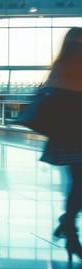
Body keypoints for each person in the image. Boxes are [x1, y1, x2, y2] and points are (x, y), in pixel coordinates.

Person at [41, 27, 82, 256]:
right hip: (71, 135)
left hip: (70, 134)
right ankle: (71, 233)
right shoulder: (63, 69)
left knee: (78, 184)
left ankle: (67, 221)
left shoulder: (61, 69)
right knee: (78, 183)